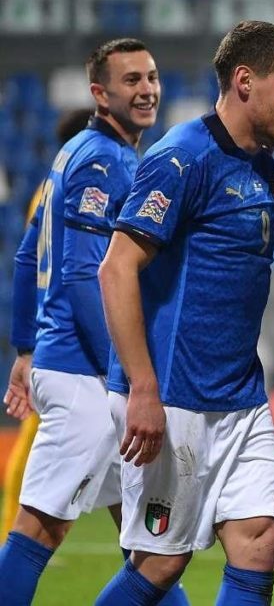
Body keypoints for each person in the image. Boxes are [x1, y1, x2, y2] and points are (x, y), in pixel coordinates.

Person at [93, 20, 274, 605]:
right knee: (160, 563)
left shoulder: (260, 165)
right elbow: (116, 269)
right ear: (245, 81)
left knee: (259, 541)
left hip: (241, 395)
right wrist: (143, 388)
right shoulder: (182, 157)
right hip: (174, 394)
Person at [0, 40, 188, 606]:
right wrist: (125, 369)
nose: (146, 89)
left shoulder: (73, 154)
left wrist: (24, 348)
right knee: (39, 529)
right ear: (100, 94)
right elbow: (85, 274)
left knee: (148, 544)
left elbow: (27, 255)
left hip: (69, 364)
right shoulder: (105, 161)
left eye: (151, 77)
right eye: (131, 80)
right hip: (85, 377)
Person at [2, 107, 92, 541]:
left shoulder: (49, 188)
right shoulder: (69, 186)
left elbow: (27, 258)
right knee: (38, 431)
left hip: (55, 328)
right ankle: (12, 534)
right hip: (63, 331)